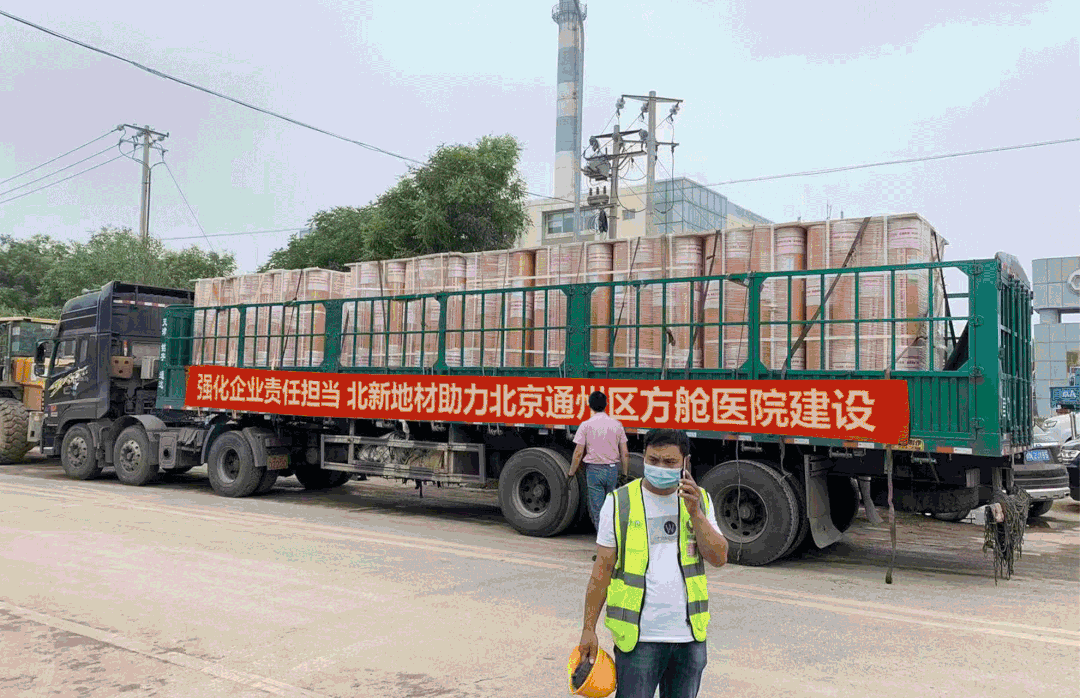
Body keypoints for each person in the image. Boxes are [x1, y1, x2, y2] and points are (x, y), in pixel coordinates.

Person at [575, 429, 728, 698]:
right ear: (644, 457)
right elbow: (601, 572)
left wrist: (695, 514)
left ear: (685, 462)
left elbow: (719, 558)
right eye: (653, 460)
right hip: (638, 640)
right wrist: (589, 629)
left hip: (689, 638)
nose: (660, 467)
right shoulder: (619, 502)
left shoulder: (700, 500)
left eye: (669, 462)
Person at [567, 390, 630, 530]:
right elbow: (625, 453)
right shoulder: (617, 425)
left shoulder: (586, 425)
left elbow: (578, 453)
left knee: (597, 510)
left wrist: (571, 473)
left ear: (590, 405)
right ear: (606, 405)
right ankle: (613, 536)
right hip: (612, 470)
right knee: (611, 508)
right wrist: (624, 474)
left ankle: (603, 539)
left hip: (594, 471)